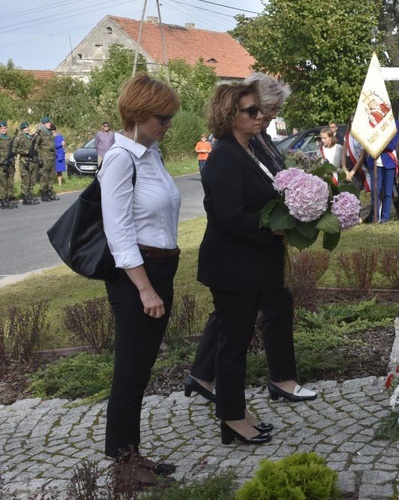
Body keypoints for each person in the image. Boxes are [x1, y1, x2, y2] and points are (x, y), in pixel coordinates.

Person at [194, 81, 315, 448]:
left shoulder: (247, 149)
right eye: (251, 111)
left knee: (237, 342)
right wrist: (276, 228)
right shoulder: (225, 155)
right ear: (229, 115)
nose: (260, 115)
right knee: (232, 346)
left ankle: (237, 412)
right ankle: (232, 418)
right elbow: (230, 217)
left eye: (259, 110)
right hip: (232, 267)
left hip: (252, 264)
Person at [98, 73, 181, 488]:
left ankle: (132, 454)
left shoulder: (152, 155)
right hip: (136, 276)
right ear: (140, 114)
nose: (168, 125)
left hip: (161, 268)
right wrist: (145, 287)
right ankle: (123, 469)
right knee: (129, 372)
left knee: (141, 369)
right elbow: (119, 232)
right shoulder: (120, 158)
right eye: (162, 118)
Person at [365, 121, 399, 223]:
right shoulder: (372, 122)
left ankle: (385, 217)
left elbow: (392, 145)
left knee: (387, 192)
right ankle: (375, 217)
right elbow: (368, 141)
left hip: (389, 163)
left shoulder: (394, 123)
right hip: (375, 162)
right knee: (375, 192)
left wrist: (378, 142)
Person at [34, 117, 59, 201]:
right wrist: (39, 157)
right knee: (44, 175)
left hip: (51, 155)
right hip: (44, 156)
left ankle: (49, 192)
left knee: (51, 175)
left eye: (49, 123)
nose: (49, 124)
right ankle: (44, 193)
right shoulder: (40, 133)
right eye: (48, 123)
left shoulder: (50, 133)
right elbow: (35, 145)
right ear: (44, 124)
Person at [14, 122, 39, 205]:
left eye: (27, 127)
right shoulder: (19, 137)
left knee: (32, 180)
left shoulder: (30, 137)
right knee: (26, 180)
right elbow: (15, 150)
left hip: (32, 161)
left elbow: (35, 147)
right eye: (25, 128)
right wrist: (26, 152)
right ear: (22, 129)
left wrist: (35, 152)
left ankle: (30, 196)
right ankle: (25, 198)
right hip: (25, 162)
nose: (27, 129)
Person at [0, 120, 18, 209]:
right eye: (1, 128)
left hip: (10, 163)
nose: (3, 130)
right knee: (3, 183)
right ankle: (3, 201)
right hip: (2, 164)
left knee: (9, 182)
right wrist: (2, 161)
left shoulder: (9, 138)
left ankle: (8, 198)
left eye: (4, 128)